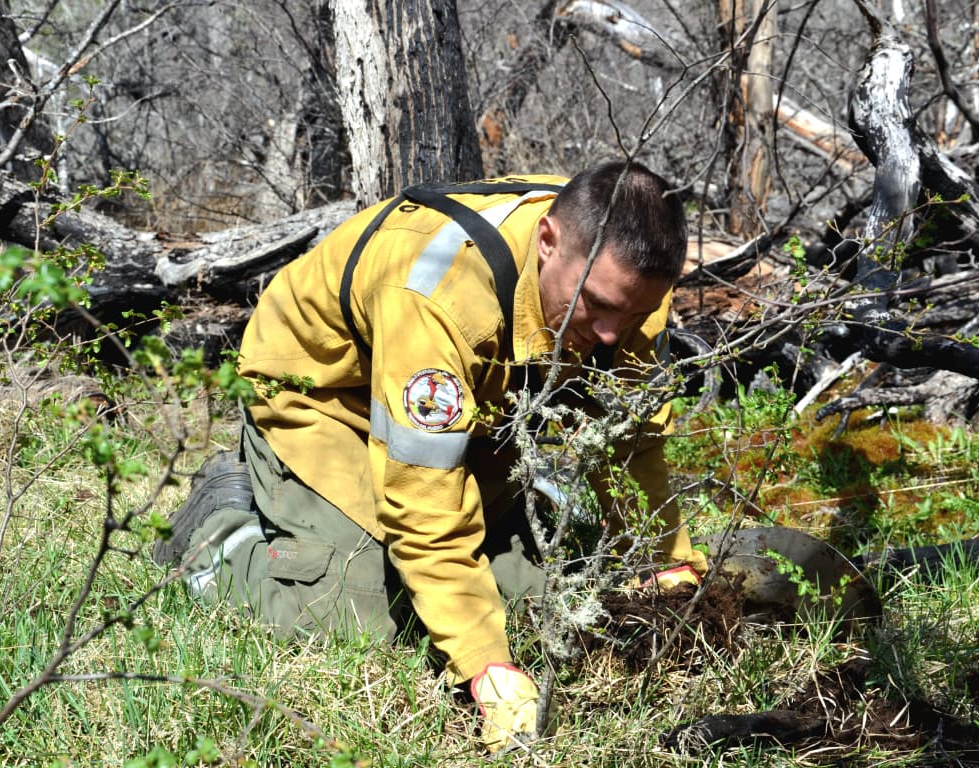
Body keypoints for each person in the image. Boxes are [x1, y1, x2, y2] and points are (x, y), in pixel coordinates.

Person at [153, 160, 708, 752]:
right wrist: (486, 669)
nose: (607, 334)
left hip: (471, 407)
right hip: (326, 394)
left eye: (630, 314)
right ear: (547, 241)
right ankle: (221, 528)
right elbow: (424, 504)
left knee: (531, 601)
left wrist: (663, 563)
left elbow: (632, 442)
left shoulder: (628, 279)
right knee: (364, 608)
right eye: (595, 305)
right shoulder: (439, 294)